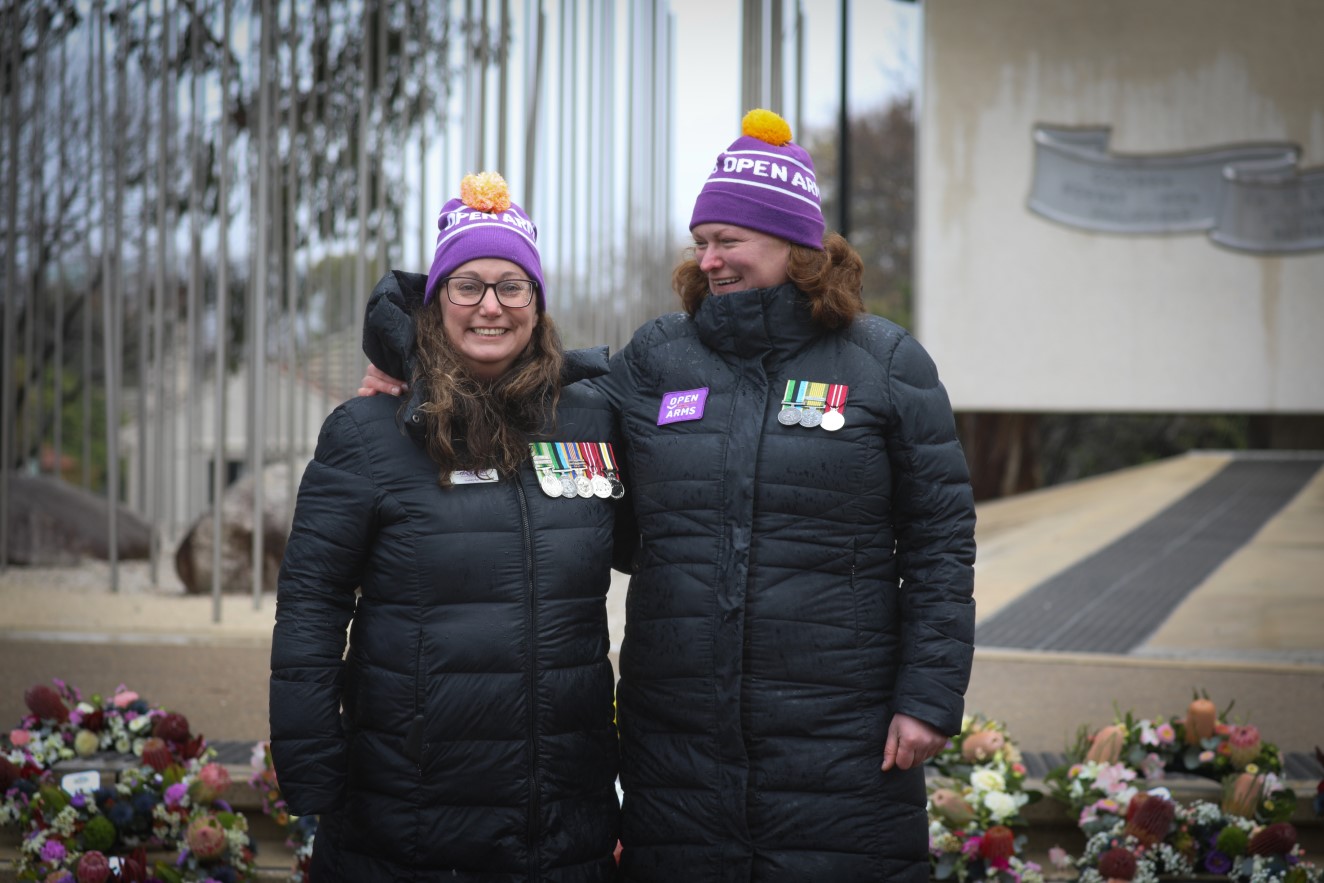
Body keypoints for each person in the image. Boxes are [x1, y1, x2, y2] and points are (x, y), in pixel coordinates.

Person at [363, 110, 976, 882]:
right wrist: (413, 371)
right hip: (678, 739)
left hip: (839, 734)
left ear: (795, 244)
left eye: (730, 240)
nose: (710, 259)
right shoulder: (661, 355)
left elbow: (940, 540)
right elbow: (536, 399)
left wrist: (927, 693)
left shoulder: (886, 363)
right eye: (702, 242)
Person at [271, 172, 626, 881]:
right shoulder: (368, 433)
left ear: (537, 302)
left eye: (511, 286)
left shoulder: (593, 418)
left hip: (565, 831)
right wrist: (312, 774)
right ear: (435, 303)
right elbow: (310, 611)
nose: (490, 306)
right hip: (405, 831)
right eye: (467, 285)